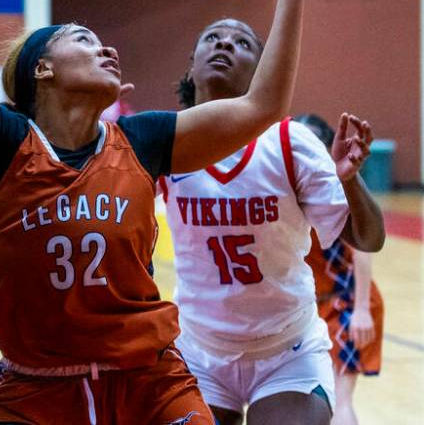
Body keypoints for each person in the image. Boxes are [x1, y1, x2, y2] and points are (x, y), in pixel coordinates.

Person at [0, 0, 342, 424]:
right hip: (36, 389)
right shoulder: (2, 143)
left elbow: (260, 107)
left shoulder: (140, 141)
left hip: (149, 380)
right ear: (42, 69)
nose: (108, 49)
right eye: (86, 39)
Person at [162, 24, 385, 425]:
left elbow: (369, 238)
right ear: (191, 66)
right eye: (211, 37)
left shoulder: (290, 140)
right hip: (198, 350)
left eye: (243, 42)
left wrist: (350, 180)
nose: (226, 43)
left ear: (262, 72)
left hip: (288, 351)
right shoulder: (165, 141)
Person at [297, 113, 385, 425]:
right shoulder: (290, 186)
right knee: (317, 401)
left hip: (347, 303)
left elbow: (362, 247)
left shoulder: (334, 188)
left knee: (339, 398)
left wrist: (360, 308)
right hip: (312, 308)